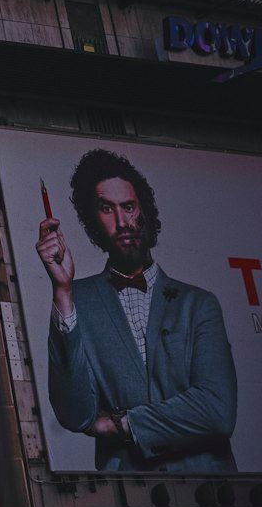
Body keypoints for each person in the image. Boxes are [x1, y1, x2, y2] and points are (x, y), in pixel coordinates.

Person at [37, 149, 238, 471]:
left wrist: (122, 424)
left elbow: (217, 412)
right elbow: (76, 415)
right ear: (92, 220)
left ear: (145, 211)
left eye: (128, 207)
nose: (122, 223)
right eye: (107, 209)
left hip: (210, 489)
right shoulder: (77, 299)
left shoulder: (198, 304)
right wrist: (62, 290)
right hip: (129, 490)